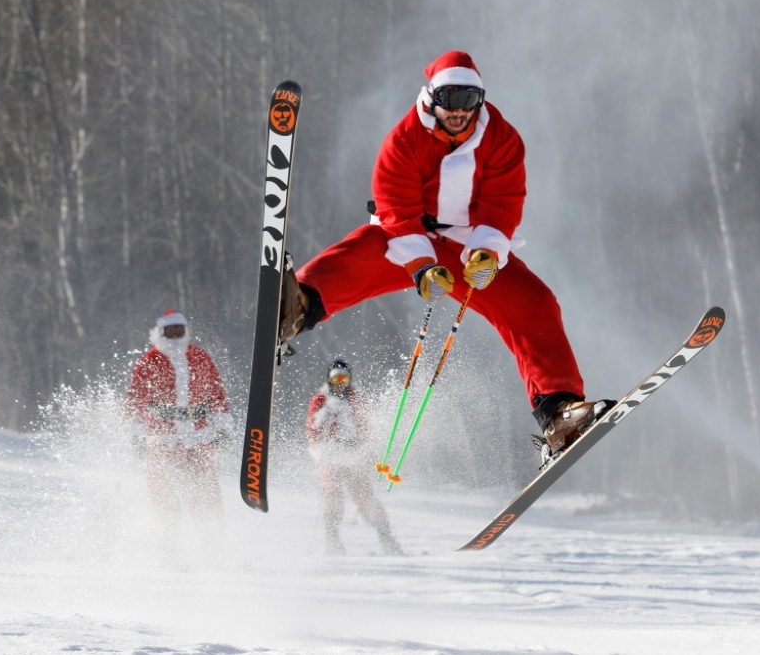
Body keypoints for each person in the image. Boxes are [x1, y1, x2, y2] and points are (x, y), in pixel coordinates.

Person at [279, 50, 610, 457]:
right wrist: (421, 267)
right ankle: (298, 304)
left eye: (469, 100)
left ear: (481, 101)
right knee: (359, 256)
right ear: (432, 99)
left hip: (467, 245)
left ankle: (559, 411)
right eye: (450, 99)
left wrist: (487, 252)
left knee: (533, 304)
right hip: (406, 236)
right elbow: (395, 206)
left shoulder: (501, 138)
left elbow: (504, 201)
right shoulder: (404, 139)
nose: (458, 111)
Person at [125, 310, 232, 514]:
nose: (175, 336)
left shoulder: (200, 356)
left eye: (179, 331)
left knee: (205, 490)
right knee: (164, 493)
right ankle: (167, 538)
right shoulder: (149, 361)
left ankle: (211, 534)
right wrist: (136, 435)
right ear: (161, 333)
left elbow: (216, 392)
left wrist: (222, 426)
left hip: (199, 435)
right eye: (170, 331)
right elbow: (135, 399)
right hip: (164, 437)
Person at [307, 359, 402, 555]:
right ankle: (332, 540)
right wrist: (321, 448)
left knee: (363, 494)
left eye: (344, 378)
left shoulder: (355, 399)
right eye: (336, 378)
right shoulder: (320, 400)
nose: (340, 383)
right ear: (329, 379)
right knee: (332, 493)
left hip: (351, 455)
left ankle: (386, 537)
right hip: (328, 455)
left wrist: (362, 447)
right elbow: (312, 429)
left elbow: (366, 427)